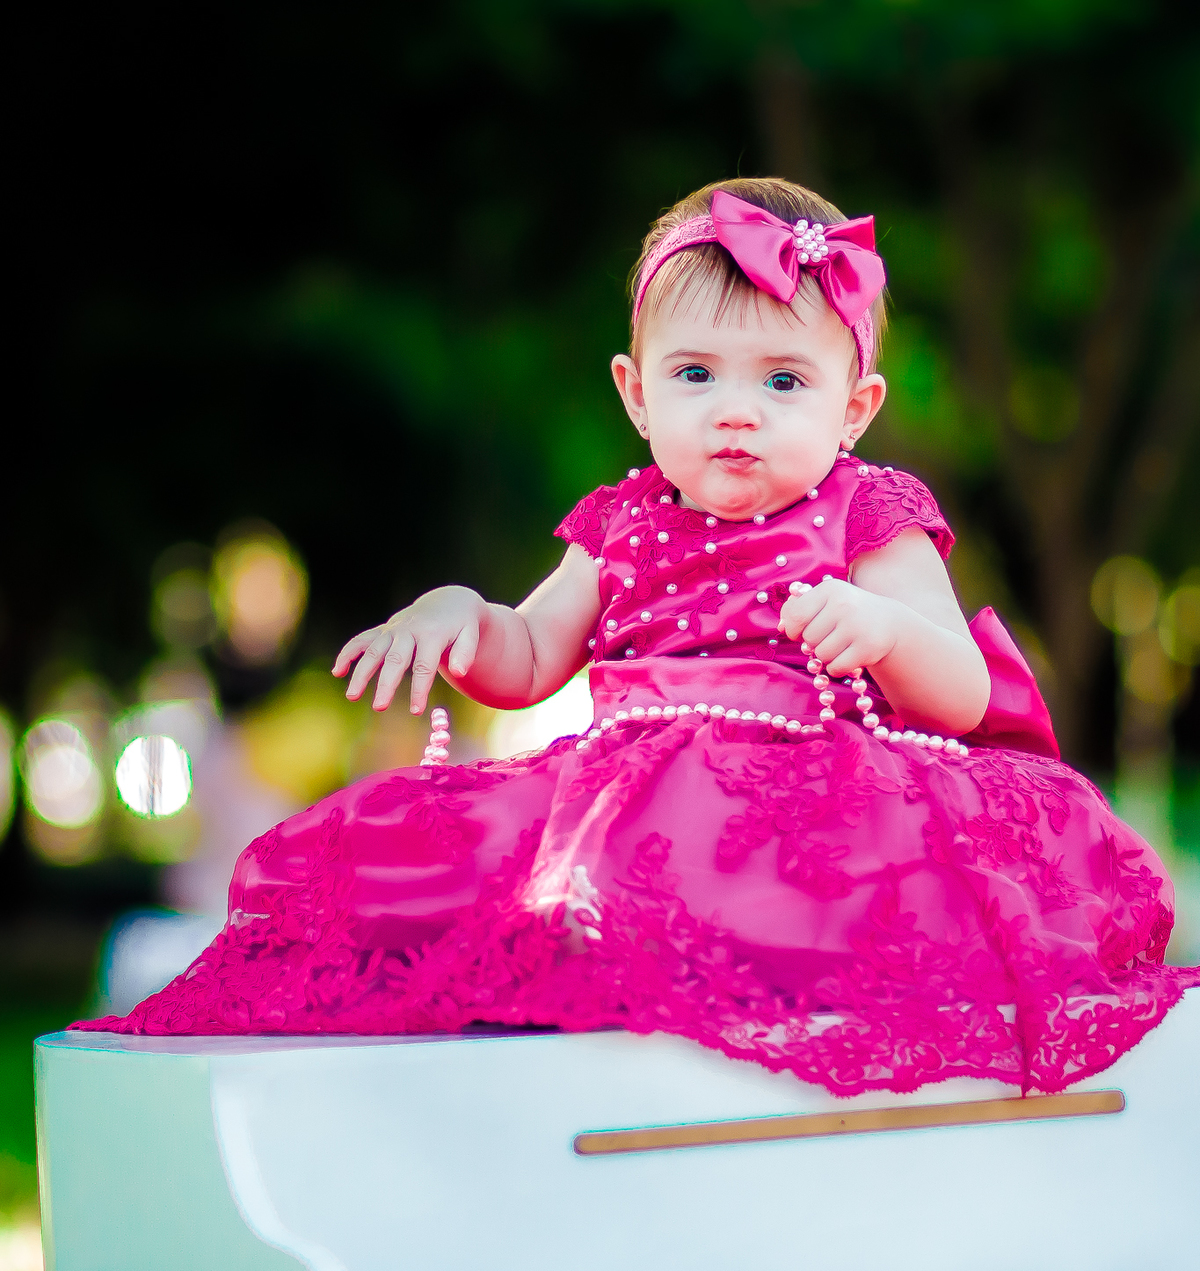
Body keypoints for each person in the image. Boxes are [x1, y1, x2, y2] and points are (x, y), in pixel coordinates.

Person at [78, 178, 1200, 1094]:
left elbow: (962, 694)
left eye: (784, 380)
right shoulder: (620, 522)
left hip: (813, 794)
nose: (735, 409)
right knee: (485, 887)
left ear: (854, 407)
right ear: (636, 393)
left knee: (823, 897)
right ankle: (592, 1086)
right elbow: (528, 660)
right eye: (695, 374)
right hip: (628, 794)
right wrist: (467, 619)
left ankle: (755, 1086)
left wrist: (884, 628)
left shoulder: (869, 513)